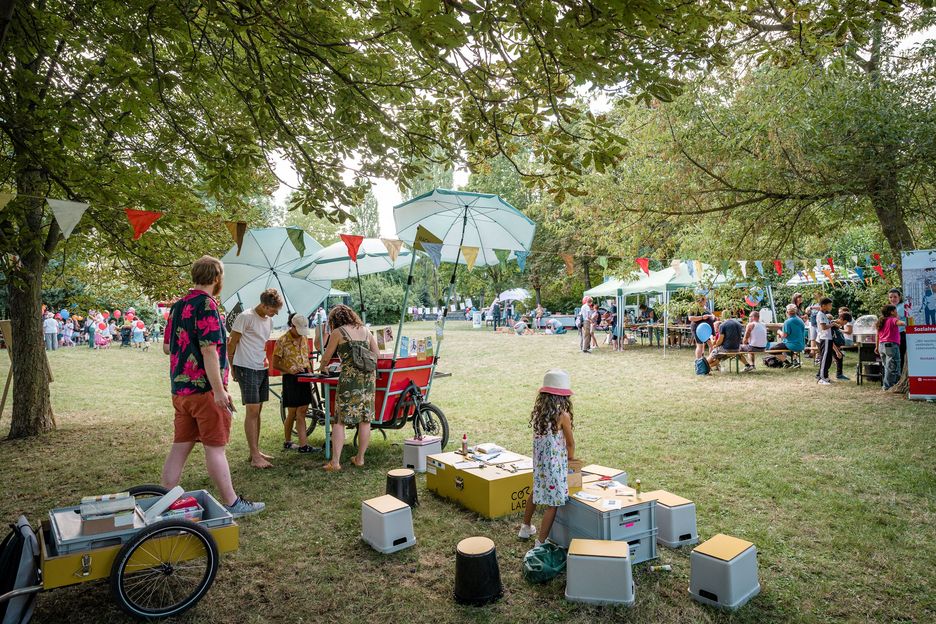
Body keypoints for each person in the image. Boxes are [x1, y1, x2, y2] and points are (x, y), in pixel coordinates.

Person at [160, 255, 264, 518]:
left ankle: (163, 500)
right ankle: (232, 503)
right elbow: (209, 351)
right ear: (217, 277)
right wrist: (219, 391)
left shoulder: (178, 306)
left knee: (179, 446)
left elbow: (167, 347)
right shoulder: (207, 305)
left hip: (180, 390)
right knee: (215, 448)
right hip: (205, 390)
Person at [518, 369, 575, 547]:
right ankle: (540, 542)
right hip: (555, 465)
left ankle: (525, 527)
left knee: (536, 491)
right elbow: (570, 443)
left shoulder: (539, 413)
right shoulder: (563, 416)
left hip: (540, 463)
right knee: (553, 503)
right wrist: (571, 461)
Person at [318, 304, 378, 471]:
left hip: (349, 380)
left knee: (340, 420)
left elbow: (326, 357)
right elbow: (377, 354)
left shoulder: (338, 332)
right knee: (365, 419)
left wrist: (322, 367)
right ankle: (360, 459)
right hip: (368, 379)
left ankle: (335, 462)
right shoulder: (366, 331)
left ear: (334, 320)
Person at [229, 288, 283, 469]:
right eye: (274, 310)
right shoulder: (246, 317)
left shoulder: (269, 321)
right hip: (246, 367)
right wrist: (232, 366)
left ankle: (256, 451)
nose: (276, 313)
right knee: (252, 411)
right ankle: (254, 457)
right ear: (265, 305)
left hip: (261, 367)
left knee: (257, 411)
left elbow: (261, 343)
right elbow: (232, 343)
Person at [272, 313, 315, 453]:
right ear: (292, 326)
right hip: (291, 378)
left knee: (302, 410)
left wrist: (311, 373)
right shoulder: (282, 341)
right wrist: (289, 370)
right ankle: (289, 441)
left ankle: (303, 445)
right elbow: (275, 364)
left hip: (305, 376)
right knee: (292, 412)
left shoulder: (304, 338)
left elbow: (306, 358)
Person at [876, 304, 905, 390]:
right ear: (892, 312)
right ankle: (888, 386)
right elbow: (901, 323)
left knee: (887, 366)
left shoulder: (881, 321)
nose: (897, 312)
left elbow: (877, 335)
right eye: (896, 310)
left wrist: (876, 347)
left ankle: (891, 384)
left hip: (881, 345)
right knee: (892, 366)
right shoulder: (892, 319)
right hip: (890, 346)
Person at [887, 289, 908, 373]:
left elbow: (895, 320)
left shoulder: (902, 306)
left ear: (899, 297)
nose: (893, 299)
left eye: (895, 297)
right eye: (890, 297)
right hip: (891, 336)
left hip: (901, 334)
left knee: (900, 356)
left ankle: (899, 374)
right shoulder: (890, 307)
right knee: (892, 356)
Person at [815, 297, 835, 385]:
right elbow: (823, 327)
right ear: (823, 306)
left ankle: (825, 377)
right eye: (829, 305)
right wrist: (832, 324)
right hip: (824, 338)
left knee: (828, 359)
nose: (831, 307)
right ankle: (821, 378)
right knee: (824, 358)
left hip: (828, 338)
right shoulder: (821, 315)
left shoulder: (824, 314)